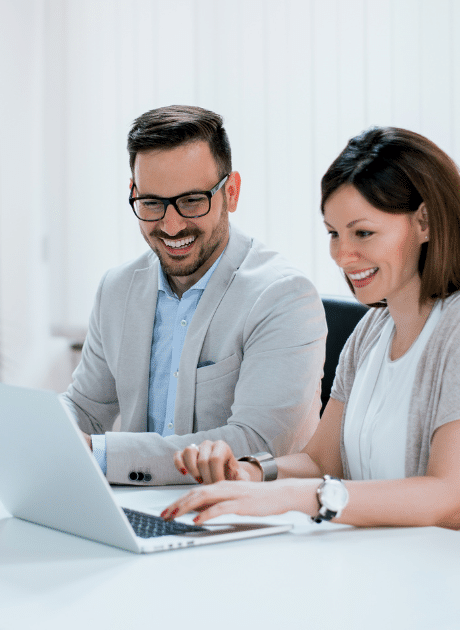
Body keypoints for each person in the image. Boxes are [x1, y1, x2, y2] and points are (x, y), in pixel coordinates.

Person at [162, 126, 460, 550]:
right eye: (334, 233)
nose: (341, 255)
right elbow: (320, 460)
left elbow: (449, 500)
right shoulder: (373, 329)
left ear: (424, 222)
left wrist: (297, 498)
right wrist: (253, 474)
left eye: (363, 233)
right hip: (404, 577)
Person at [61, 105, 328, 486]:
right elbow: (85, 408)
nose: (171, 225)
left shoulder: (282, 297)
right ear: (134, 193)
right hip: (136, 505)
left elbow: (258, 443)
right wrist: (51, 429)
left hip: (245, 521)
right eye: (152, 203)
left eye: (191, 201)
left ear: (231, 192)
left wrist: (102, 455)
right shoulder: (116, 289)